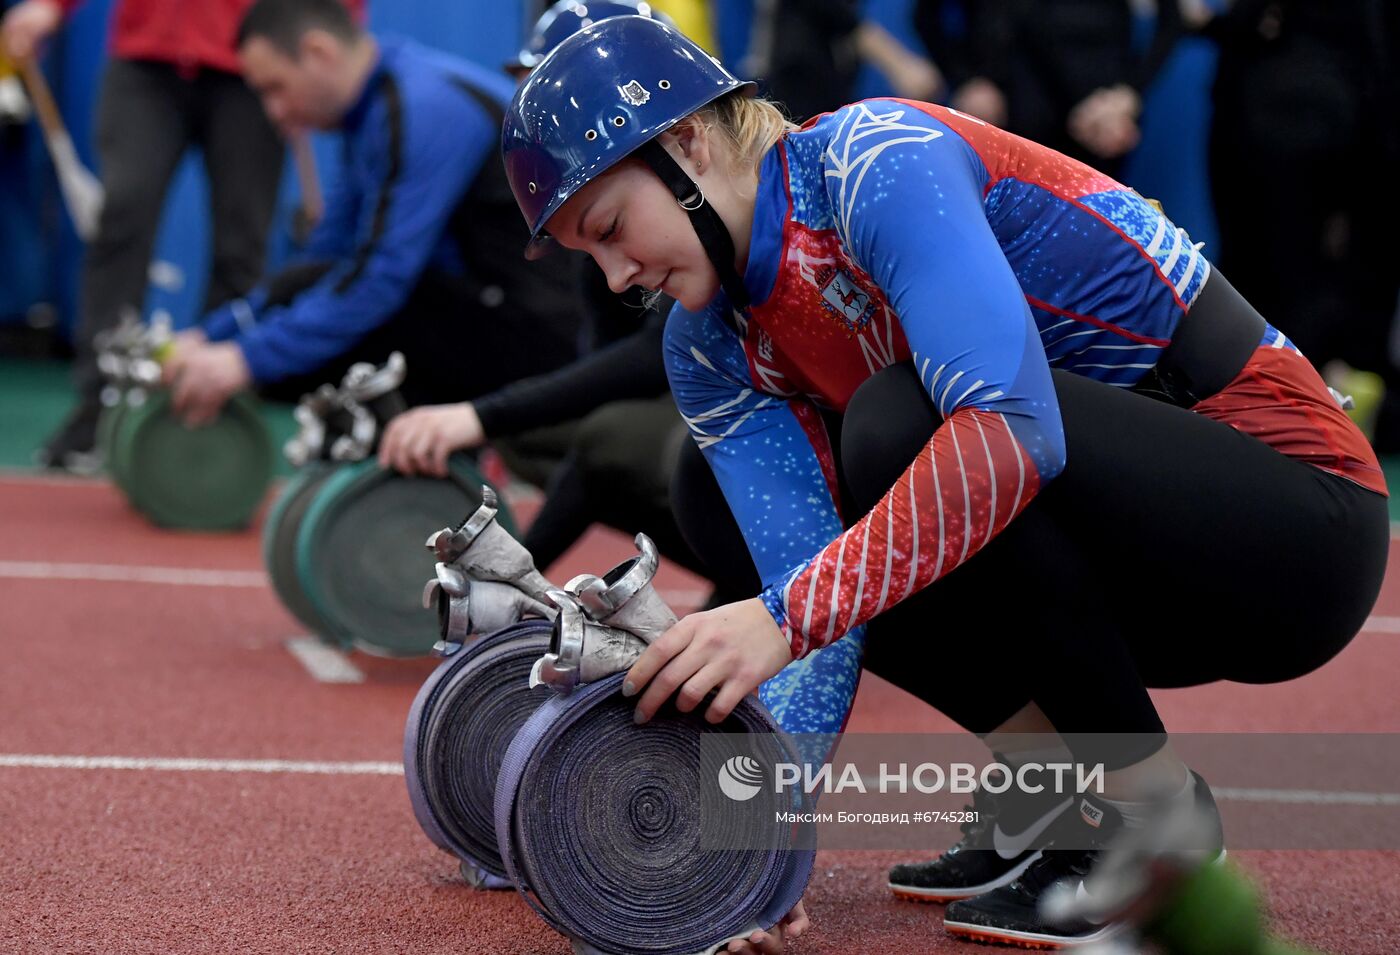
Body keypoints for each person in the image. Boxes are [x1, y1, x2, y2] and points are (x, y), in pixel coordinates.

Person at [500, 16, 1389, 951]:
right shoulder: (710, 346)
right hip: (1124, 565)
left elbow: (1009, 436)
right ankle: (1065, 798)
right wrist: (759, 855)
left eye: (608, 228)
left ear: (687, 141)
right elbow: (816, 616)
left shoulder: (877, 160)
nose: (614, 275)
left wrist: (786, 613)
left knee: (898, 423)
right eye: (585, 256)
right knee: (714, 498)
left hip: (1302, 525)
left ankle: (1158, 818)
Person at [379, 0, 750, 603]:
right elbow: (627, 365)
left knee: (635, 439)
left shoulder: (800, 196)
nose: (527, 111)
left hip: (843, 493)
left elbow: (647, 363)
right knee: (579, 436)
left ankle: (757, 603)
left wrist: (479, 414)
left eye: (545, 83)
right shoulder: (609, 237)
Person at [160, 0, 581, 423]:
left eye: (275, 88)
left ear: (318, 52)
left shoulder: (423, 108)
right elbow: (324, 259)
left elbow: (382, 278)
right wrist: (212, 336)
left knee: (318, 352)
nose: (275, 113)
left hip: (544, 335)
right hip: (486, 305)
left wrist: (244, 360)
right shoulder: (375, 108)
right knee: (313, 299)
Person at [0, 0, 314, 469]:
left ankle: (214, 408)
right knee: (122, 220)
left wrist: (326, 27)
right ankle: (100, 404)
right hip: (145, 60)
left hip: (251, 63)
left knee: (241, 243)